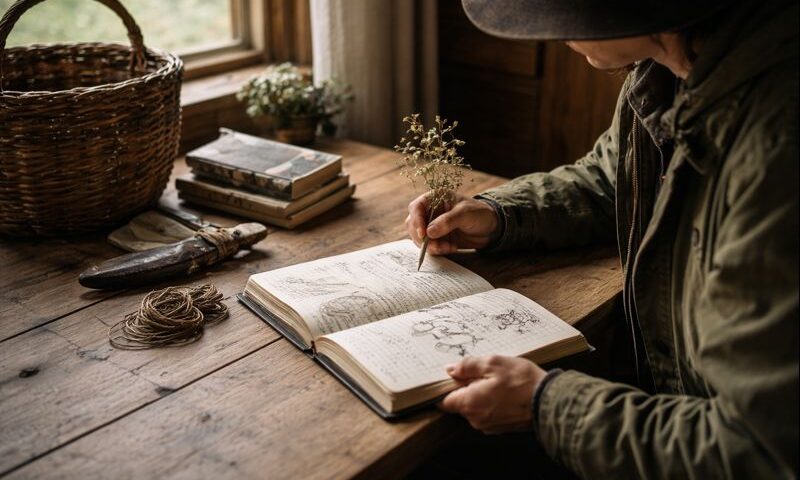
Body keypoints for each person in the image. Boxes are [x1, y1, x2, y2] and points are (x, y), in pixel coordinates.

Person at [404, 0, 798, 477]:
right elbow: (614, 176)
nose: (546, 31)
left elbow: (755, 449)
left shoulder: (775, 152)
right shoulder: (663, 71)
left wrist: (544, 405)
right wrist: (499, 214)